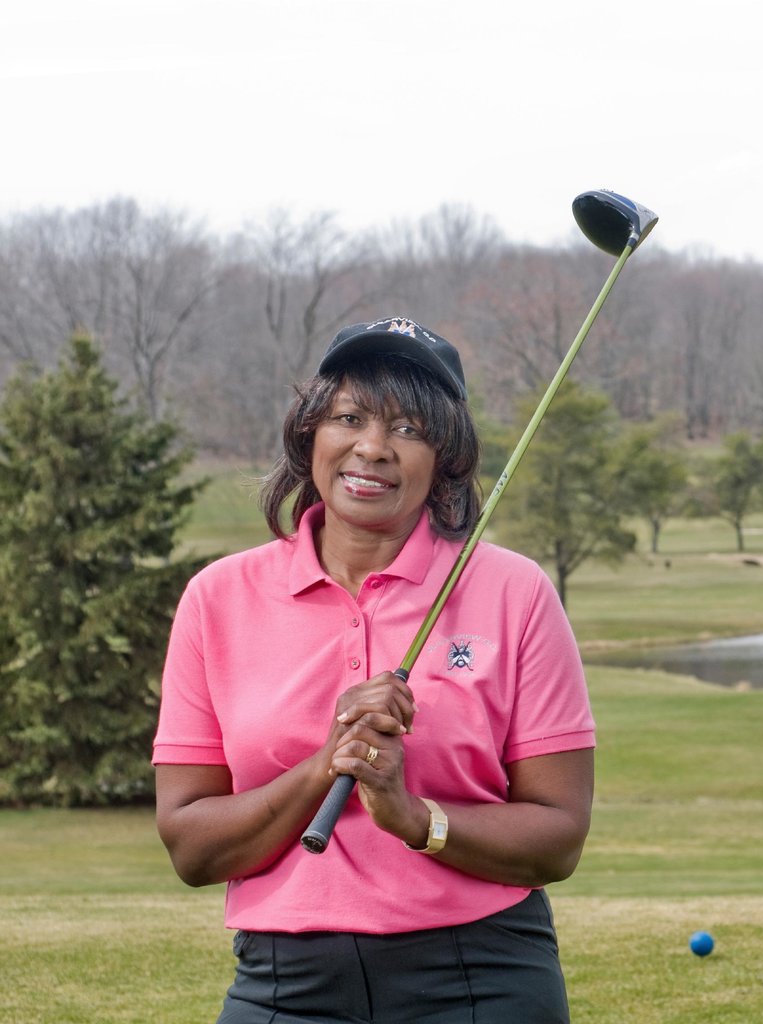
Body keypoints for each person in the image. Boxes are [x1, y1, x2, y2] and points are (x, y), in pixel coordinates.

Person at [154, 316, 594, 1023]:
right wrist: (326, 766)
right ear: (309, 436)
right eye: (349, 417)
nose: (373, 448)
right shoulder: (218, 598)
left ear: (446, 457)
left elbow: (559, 836)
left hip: (480, 976)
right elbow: (192, 850)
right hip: (283, 983)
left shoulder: (513, 591)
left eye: (410, 428)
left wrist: (417, 820)